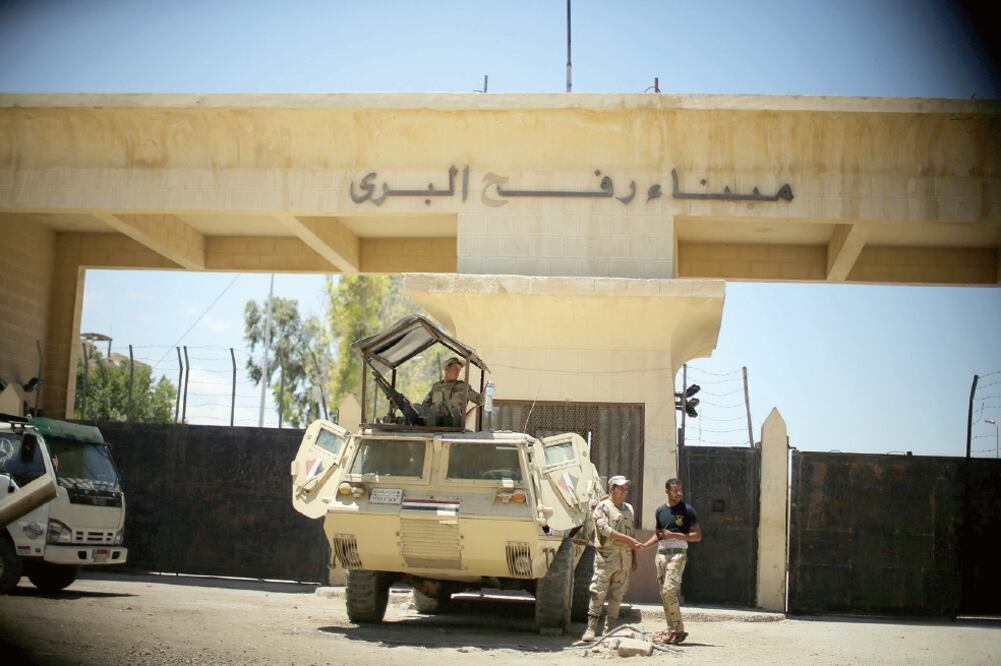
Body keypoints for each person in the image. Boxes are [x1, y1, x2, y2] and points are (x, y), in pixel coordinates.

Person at [581, 475, 642, 642]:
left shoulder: (629, 508)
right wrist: (628, 540)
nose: (624, 491)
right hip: (606, 557)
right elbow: (605, 530)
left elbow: (633, 534)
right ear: (612, 488)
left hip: (625, 558)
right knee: (597, 593)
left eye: (625, 488)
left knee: (618, 595)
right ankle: (591, 628)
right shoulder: (602, 507)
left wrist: (634, 558)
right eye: (620, 487)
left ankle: (610, 629)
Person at [641, 477, 701, 645]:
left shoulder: (688, 510)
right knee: (664, 594)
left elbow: (697, 536)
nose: (679, 493)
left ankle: (678, 629)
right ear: (667, 491)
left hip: (677, 554)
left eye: (680, 490)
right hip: (661, 554)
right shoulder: (660, 511)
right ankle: (671, 629)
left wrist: (674, 535)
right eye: (675, 490)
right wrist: (645, 545)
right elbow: (658, 533)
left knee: (669, 591)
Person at [421, 356, 483, 426]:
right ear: (447, 368)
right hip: (434, 426)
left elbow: (479, 400)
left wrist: (488, 391)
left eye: (459, 369)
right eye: (455, 368)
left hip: (454, 427)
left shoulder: (463, 387)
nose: (457, 372)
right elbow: (425, 405)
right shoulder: (436, 387)